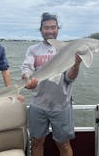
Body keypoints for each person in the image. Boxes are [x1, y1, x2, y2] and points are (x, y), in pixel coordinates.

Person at [21, 12, 82, 156]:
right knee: (36, 142)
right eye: (46, 28)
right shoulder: (33, 50)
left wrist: (77, 64)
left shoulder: (68, 49)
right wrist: (28, 79)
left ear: (57, 29)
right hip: (38, 105)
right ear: (41, 30)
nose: (49, 31)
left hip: (61, 105)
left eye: (53, 27)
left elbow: (69, 78)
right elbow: (27, 69)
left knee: (64, 144)